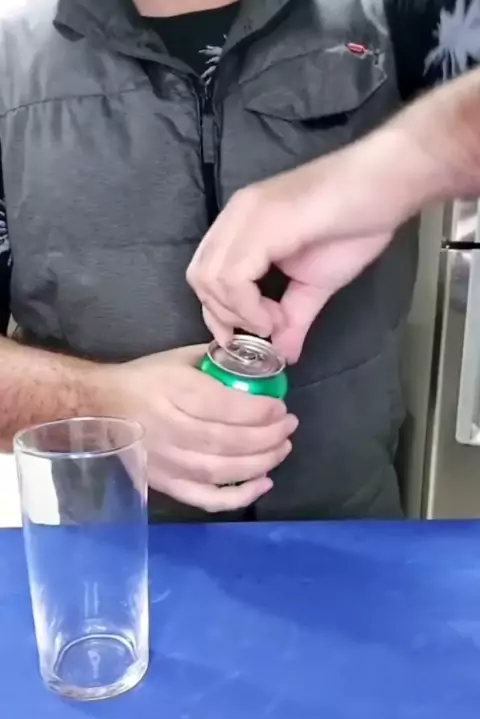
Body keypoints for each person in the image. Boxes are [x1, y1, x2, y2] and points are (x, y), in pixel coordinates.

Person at [0, 0, 478, 521]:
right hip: (115, 555)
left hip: (353, 540)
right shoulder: (8, 65)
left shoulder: (394, 13)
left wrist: (393, 168)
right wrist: (94, 403)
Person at [188, 66, 480, 364]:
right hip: (186, 379)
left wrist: (383, 172)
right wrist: (146, 384)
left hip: (359, 382)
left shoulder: (397, 36)